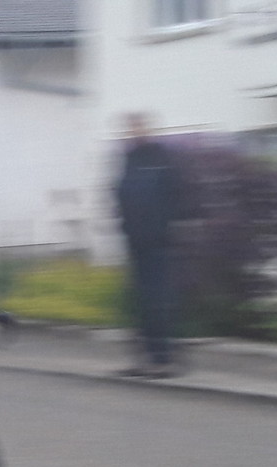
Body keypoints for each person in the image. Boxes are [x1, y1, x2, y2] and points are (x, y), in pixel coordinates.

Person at [114, 111, 184, 379]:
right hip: (134, 242)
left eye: (138, 126)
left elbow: (176, 195)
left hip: (158, 242)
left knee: (158, 301)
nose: (134, 131)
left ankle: (163, 359)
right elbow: (121, 195)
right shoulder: (129, 159)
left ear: (148, 129)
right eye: (130, 127)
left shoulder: (161, 157)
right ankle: (142, 360)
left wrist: (165, 227)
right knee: (140, 302)